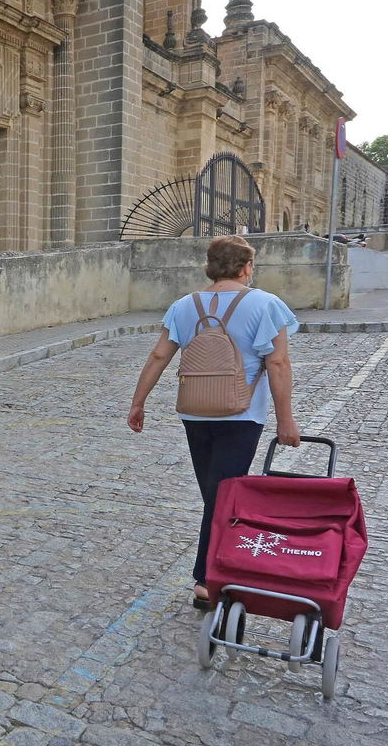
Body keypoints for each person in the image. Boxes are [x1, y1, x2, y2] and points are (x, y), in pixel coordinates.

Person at [126, 235, 301, 608]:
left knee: (215, 494)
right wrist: (286, 421)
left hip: (195, 412)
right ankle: (208, 579)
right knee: (222, 497)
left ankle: (217, 570)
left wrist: (138, 403)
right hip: (241, 414)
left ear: (210, 266)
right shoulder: (266, 305)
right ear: (246, 267)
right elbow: (278, 363)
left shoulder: (183, 306)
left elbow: (159, 356)